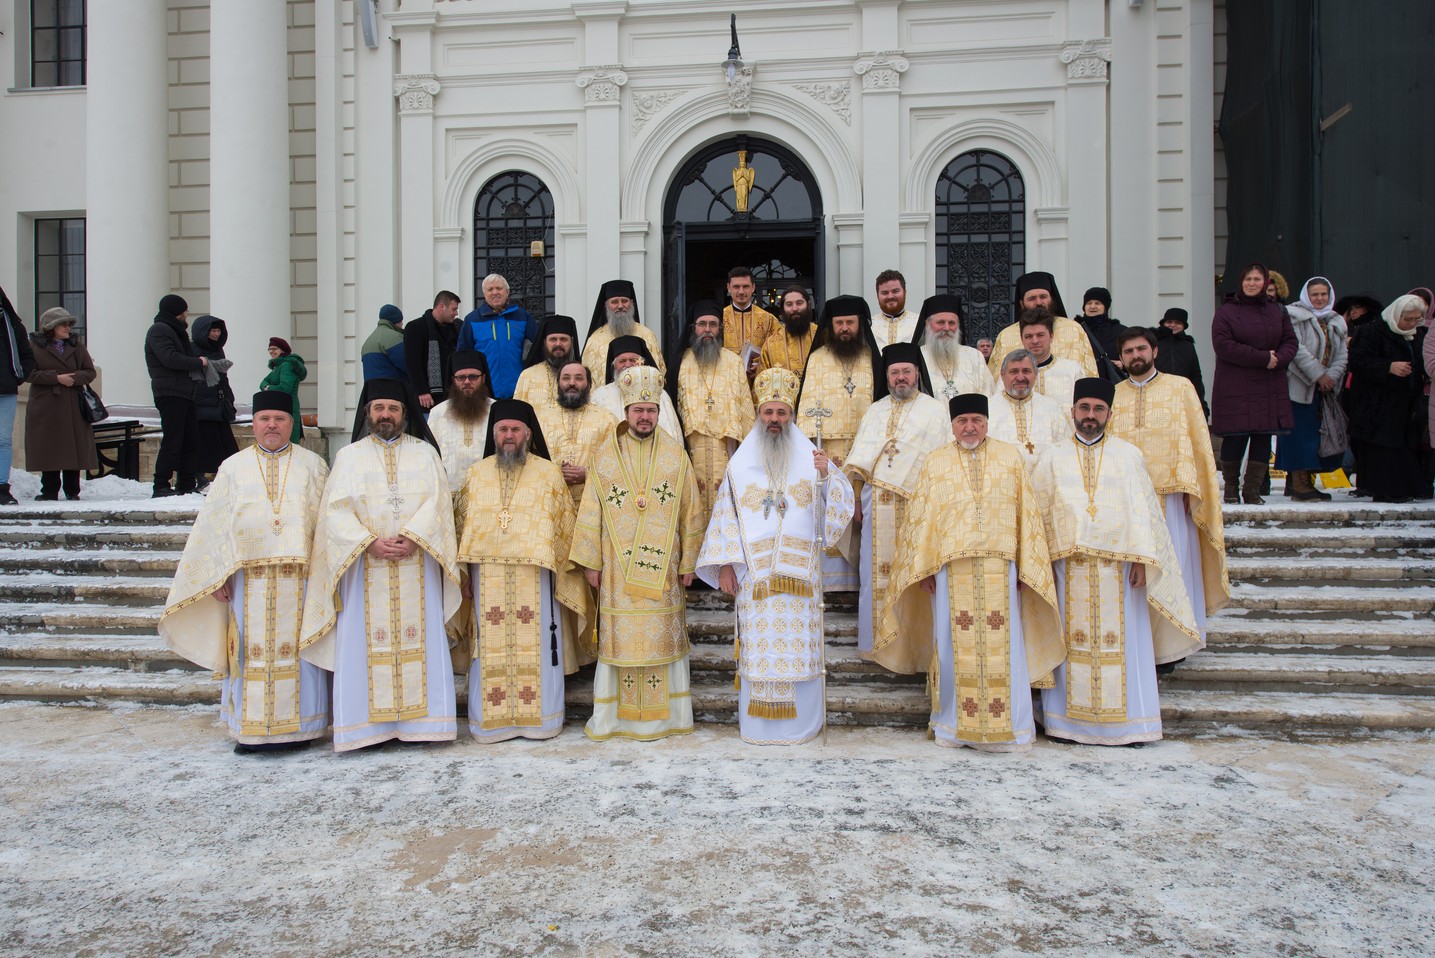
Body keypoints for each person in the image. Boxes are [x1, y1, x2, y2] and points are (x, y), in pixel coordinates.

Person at [875, 393, 1065, 752]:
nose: (970, 427)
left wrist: (1027, 567)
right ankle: (952, 725)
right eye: (963, 421)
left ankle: (1012, 726)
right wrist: (923, 568)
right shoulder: (936, 462)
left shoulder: (1010, 458)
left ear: (987, 422)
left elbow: (1028, 515)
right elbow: (922, 521)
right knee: (950, 646)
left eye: (977, 420)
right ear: (953, 425)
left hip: (1002, 567)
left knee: (1006, 647)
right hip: (950, 570)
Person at [1030, 378, 1200, 746]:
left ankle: (1130, 726)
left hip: (1121, 572)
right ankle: (1064, 724)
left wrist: (1143, 560)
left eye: (1098, 409)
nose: (1090, 416)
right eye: (1084, 408)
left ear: (1110, 412)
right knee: (1070, 646)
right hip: (1068, 567)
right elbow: (1038, 516)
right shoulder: (1051, 457)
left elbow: (1143, 514)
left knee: (1125, 646)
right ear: (1072, 411)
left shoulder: (1128, 455)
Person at [160, 391, 330, 752]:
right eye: (265, 418)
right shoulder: (232, 467)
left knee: (299, 651)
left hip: (300, 582)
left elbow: (326, 526)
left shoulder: (313, 465)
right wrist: (217, 574)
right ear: (253, 424)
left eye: (280, 419)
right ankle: (252, 729)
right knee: (250, 655)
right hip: (247, 582)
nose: (272, 425)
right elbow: (214, 526)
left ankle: (303, 728)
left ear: (292, 424)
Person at [299, 379, 461, 751]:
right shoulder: (349, 457)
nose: (385, 415)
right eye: (379, 408)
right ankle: (365, 729)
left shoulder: (425, 454)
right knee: (363, 643)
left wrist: (413, 535)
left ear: (405, 414)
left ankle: (426, 725)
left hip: (417, 563)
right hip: (363, 568)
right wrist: (368, 541)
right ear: (368, 413)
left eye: (393, 408)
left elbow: (439, 506)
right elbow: (334, 511)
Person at [696, 367, 855, 745]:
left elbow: (839, 509)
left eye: (781, 413)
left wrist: (829, 474)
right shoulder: (739, 464)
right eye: (768, 412)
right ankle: (759, 726)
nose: (774, 420)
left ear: (791, 416)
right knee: (760, 649)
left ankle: (802, 725)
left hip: (800, 581)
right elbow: (726, 516)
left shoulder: (811, 457)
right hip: (755, 580)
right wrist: (724, 568)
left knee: (799, 649)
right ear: (759, 414)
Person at [569, 365, 704, 742]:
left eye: (651, 410)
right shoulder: (605, 455)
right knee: (622, 641)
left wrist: (689, 561)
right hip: (616, 570)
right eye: (637, 410)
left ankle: (668, 719)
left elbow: (691, 510)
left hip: (664, 572)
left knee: (661, 638)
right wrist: (591, 561)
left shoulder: (676, 455)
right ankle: (617, 719)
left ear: (659, 413)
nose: (644, 416)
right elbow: (591, 510)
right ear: (626, 413)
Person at [453, 400, 593, 743]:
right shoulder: (476, 473)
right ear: (494, 434)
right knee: (487, 648)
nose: (509, 435)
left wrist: (563, 573)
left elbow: (563, 529)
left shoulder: (548, 473)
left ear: (528, 433)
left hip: (537, 578)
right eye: (503, 429)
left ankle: (542, 720)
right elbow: (461, 528)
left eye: (516, 429)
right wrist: (465, 577)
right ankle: (490, 722)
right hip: (487, 578)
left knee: (540, 648)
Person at [1108, 327, 1232, 657]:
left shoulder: (1181, 388)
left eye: (1141, 349)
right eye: (1129, 351)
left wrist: (1198, 492)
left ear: (1155, 351)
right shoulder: (1113, 395)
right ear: (1120, 358)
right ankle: (1142, 646)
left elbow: (1198, 444)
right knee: (1136, 576)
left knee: (1174, 569)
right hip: (1128, 502)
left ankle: (1177, 644)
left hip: (1172, 497)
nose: (1135, 356)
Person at [844, 343, 951, 656]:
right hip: (876, 503)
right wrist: (856, 500)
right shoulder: (875, 411)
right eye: (895, 373)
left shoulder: (935, 410)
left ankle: (912, 650)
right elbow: (860, 459)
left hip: (918, 506)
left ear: (917, 373)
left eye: (906, 371)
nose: (901, 377)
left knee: (915, 577)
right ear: (887, 376)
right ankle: (874, 645)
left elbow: (942, 461)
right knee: (873, 578)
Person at [794, 295, 885, 593]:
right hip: (830, 454)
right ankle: (833, 585)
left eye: (850, 323)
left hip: (865, 452)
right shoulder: (818, 358)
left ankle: (862, 583)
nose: (844, 328)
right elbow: (807, 409)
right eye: (839, 323)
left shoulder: (872, 358)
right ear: (830, 326)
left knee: (864, 515)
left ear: (860, 325)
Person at [1210, 263, 1298, 504]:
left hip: (1269, 384)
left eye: (1257, 279)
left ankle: (1252, 490)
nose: (1252, 283)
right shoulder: (1227, 312)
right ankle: (1230, 488)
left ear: (1266, 282)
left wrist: (1278, 359)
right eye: (1248, 278)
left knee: (1262, 438)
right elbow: (1224, 346)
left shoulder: (1278, 310)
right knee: (1235, 438)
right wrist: (1263, 358)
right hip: (1235, 384)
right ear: (1241, 282)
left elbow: (1291, 341)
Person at [668, 300, 755, 525]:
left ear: (720, 329)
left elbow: (745, 408)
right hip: (690, 450)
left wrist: (749, 453)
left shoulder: (733, 362)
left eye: (713, 325)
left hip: (726, 449)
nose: (707, 330)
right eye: (702, 324)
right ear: (693, 328)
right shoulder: (680, 361)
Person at [1347, 294, 1430, 503]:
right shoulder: (1372, 331)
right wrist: (1388, 367)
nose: (1412, 323)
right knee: (1382, 450)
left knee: (1402, 447)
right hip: (1376, 403)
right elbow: (1358, 362)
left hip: (1405, 404)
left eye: (1416, 319)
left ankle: (1403, 488)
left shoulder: (1417, 334)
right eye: (1408, 319)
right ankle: (1385, 490)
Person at [1275, 277, 1349, 500]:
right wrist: (1318, 375)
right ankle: (1299, 485)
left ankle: (1309, 482)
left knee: (1320, 437)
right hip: (1299, 386)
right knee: (1300, 436)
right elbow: (1297, 350)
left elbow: (1342, 355)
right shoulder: (1294, 316)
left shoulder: (1336, 321)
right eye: (1315, 294)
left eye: (1323, 294)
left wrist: (1331, 378)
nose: (1319, 299)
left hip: (1325, 390)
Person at [24, 308, 97, 501]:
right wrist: (56, 378)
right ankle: (49, 490)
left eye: (69, 324)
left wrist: (72, 378)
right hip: (46, 404)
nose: (68, 327)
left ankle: (72, 490)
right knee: (49, 445)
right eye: (63, 324)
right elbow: (28, 373)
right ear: (50, 327)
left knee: (73, 445)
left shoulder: (76, 346)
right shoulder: (33, 347)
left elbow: (90, 372)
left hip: (73, 402)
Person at [145, 293, 207, 498]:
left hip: (184, 392)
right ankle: (161, 485)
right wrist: (198, 362)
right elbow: (169, 358)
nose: (186, 315)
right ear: (176, 312)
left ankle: (186, 484)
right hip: (170, 392)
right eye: (184, 311)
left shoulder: (174, 330)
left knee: (191, 440)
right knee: (173, 440)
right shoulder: (160, 330)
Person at [986, 272, 1098, 378]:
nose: (1039, 302)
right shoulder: (1006, 336)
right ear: (1022, 303)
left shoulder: (1074, 329)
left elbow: (1089, 374)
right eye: (1032, 299)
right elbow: (995, 380)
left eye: (1043, 297)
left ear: (1052, 298)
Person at [534, 360, 617, 505]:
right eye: (566, 378)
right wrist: (555, 473)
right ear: (558, 384)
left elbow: (619, 461)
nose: (572, 383)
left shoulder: (607, 419)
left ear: (589, 385)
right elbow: (530, 459)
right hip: (550, 501)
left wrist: (588, 474)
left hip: (593, 502)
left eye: (579, 378)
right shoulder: (540, 418)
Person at [986, 348, 1073, 469]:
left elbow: (1066, 450)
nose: (1020, 377)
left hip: (1043, 483)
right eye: (1014, 371)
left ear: (1036, 374)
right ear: (1002, 374)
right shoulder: (987, 409)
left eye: (1026, 371)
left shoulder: (1051, 408)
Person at [456, 274, 537, 399]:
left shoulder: (523, 317)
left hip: (519, 390)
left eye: (499, 288)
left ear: (507, 292)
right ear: (484, 294)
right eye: (490, 289)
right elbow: (463, 357)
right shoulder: (472, 320)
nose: (495, 292)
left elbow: (536, 350)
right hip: (484, 392)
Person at [590, 335, 682, 439]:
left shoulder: (660, 394)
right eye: (622, 361)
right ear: (614, 366)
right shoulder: (600, 395)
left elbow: (672, 435)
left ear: (642, 363)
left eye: (633, 360)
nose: (628, 365)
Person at [427, 351, 493, 494]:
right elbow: (430, 456)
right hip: (449, 494)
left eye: (473, 377)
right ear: (453, 380)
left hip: (487, 492)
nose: (467, 382)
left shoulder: (497, 410)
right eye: (461, 377)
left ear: (483, 378)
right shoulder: (438, 413)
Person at [581, 279, 664, 387]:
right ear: (606, 306)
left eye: (624, 301)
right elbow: (587, 381)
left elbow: (658, 374)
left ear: (631, 303)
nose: (620, 306)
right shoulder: (595, 340)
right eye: (614, 302)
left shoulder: (647, 335)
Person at [910, 293, 993, 401]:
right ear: (927, 324)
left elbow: (988, 395)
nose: (946, 328)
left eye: (952, 323)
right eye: (940, 322)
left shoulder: (975, 357)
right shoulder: (916, 357)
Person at [190, 314, 239, 482]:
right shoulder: (193, 349)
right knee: (203, 444)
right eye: (213, 330)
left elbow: (223, 379)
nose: (217, 334)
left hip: (217, 404)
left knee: (225, 445)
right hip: (201, 404)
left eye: (219, 330)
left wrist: (229, 398)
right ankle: (199, 475)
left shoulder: (218, 351)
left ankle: (225, 476)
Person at [0, 285, 36, 505]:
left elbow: (26, 354)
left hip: (6, 389)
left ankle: (2, 487)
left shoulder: (12, 324)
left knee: (4, 440)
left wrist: (18, 376)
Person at [404, 290, 462, 410]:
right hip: (428, 398)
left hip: (452, 396)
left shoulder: (455, 329)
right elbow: (413, 363)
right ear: (441, 306)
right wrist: (422, 391)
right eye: (453, 309)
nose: (456, 313)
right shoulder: (416, 327)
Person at [512, 314, 580, 412]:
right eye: (553, 339)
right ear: (544, 342)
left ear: (571, 342)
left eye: (563, 339)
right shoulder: (528, 376)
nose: (558, 344)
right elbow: (518, 414)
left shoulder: (582, 376)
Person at [722, 266, 778, 378]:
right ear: (728, 288)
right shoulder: (719, 317)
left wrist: (762, 366)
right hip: (726, 382)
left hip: (758, 383)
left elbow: (779, 352)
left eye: (745, 286)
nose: (741, 291)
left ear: (753, 287)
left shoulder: (769, 319)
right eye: (736, 286)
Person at [1020, 307, 1082, 405]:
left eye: (1040, 335)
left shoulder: (1072, 370)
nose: (1035, 341)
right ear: (1022, 339)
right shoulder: (1011, 375)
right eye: (1029, 336)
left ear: (1051, 336)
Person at [1154, 308, 1208, 416]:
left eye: (1177, 322)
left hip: (1182, 395)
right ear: (1163, 323)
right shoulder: (1154, 341)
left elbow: (1196, 374)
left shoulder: (1188, 345)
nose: (1173, 325)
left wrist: (1200, 403)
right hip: (1157, 393)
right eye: (1169, 322)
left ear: (1184, 326)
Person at [757, 285, 816, 377]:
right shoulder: (771, 344)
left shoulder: (822, 335)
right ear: (783, 309)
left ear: (808, 305)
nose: (795, 308)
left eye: (799, 303)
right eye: (789, 304)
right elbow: (761, 384)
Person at [258, 337, 307, 445]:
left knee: (289, 437)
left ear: (283, 350)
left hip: (288, 405)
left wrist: (268, 388)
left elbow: (285, 388)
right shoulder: (279, 366)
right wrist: (266, 386)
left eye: (274, 348)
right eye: (269, 349)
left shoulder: (287, 365)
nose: (271, 351)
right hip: (281, 405)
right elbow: (263, 382)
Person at [1079, 286, 1125, 376]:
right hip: (1083, 382)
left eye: (1097, 303)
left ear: (1105, 307)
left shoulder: (1121, 331)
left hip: (1112, 383)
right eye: (1088, 303)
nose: (1092, 306)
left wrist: (1123, 364)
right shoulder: (1076, 329)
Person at [360, 304, 407, 382]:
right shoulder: (394, 337)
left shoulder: (368, 341)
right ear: (397, 321)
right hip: (392, 390)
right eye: (401, 321)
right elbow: (408, 365)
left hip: (371, 392)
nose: (402, 324)